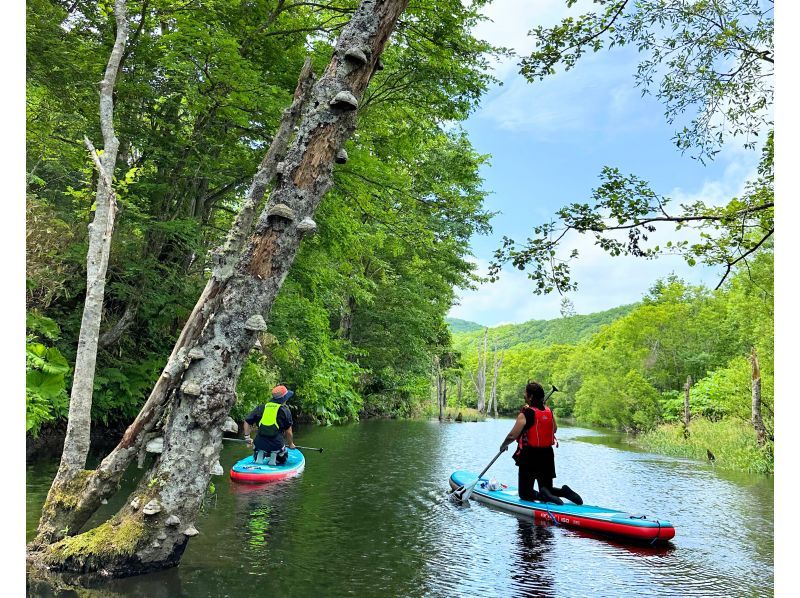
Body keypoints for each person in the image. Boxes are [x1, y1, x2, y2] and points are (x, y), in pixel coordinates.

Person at [499, 381, 583, 506]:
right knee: (547, 488)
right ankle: (563, 492)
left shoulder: (526, 414)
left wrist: (503, 445)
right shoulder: (549, 411)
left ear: (531, 397)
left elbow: (512, 435)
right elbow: (554, 429)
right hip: (547, 455)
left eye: (525, 393)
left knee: (525, 493)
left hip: (530, 455)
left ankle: (544, 495)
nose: (524, 395)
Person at [243, 385, 296, 465]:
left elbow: (247, 421)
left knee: (260, 448)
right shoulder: (285, 410)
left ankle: (259, 456)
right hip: (276, 445)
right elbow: (288, 432)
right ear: (284, 399)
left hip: (259, 444)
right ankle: (274, 459)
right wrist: (291, 444)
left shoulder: (261, 407)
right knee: (282, 458)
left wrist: (247, 438)